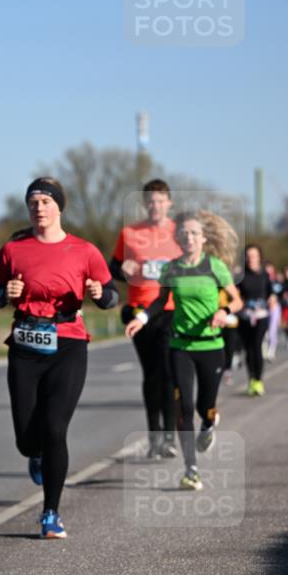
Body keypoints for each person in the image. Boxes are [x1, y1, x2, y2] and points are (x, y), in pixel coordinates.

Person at [0, 177, 118, 538]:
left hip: (68, 344)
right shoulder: (14, 249)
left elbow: (111, 294)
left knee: (56, 428)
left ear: (59, 207)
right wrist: (4, 293)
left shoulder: (84, 250)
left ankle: (51, 513)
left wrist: (99, 293)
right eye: (33, 202)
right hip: (26, 345)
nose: (39, 207)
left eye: (45, 201)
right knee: (27, 439)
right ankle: (35, 454)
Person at [125, 211, 242, 491]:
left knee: (205, 407)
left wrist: (223, 311)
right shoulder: (171, 269)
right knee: (185, 407)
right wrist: (141, 319)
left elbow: (237, 301)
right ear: (179, 239)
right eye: (184, 233)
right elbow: (159, 302)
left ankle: (210, 422)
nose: (188, 237)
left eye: (193, 233)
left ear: (203, 239)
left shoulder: (215, 267)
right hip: (180, 346)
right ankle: (191, 470)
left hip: (212, 347)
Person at [110, 179, 182, 459]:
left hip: (170, 310)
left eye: (160, 200)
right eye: (150, 201)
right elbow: (113, 267)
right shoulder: (129, 233)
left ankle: (169, 436)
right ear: (145, 203)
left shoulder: (180, 233)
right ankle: (154, 436)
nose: (155, 206)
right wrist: (121, 269)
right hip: (139, 313)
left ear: (169, 203)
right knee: (151, 374)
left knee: (168, 372)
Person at [237, 245, 274, 396]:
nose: (251, 258)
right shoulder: (241, 276)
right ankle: (251, 378)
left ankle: (258, 379)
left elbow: (271, 293)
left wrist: (272, 299)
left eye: (254, 255)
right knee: (248, 350)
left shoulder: (264, 275)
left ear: (259, 257)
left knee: (257, 346)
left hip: (261, 315)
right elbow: (235, 293)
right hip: (245, 316)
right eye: (248, 255)